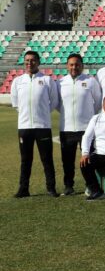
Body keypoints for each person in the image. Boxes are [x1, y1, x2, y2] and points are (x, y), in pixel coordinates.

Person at [11, 50, 60, 198]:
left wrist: (42, 113)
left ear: (38, 62)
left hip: (43, 127)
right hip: (24, 127)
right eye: (26, 61)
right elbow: (16, 104)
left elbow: (54, 101)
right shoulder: (18, 81)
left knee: (47, 159)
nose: (29, 63)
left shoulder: (47, 80)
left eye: (32, 60)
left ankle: (51, 188)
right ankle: (23, 189)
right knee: (26, 160)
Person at [58, 54, 102, 196]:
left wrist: (89, 117)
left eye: (77, 64)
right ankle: (69, 186)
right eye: (71, 64)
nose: (74, 67)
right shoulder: (60, 83)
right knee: (67, 161)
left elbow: (98, 101)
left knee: (88, 159)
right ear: (67, 66)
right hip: (67, 128)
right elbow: (58, 105)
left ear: (82, 66)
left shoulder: (90, 81)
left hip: (86, 129)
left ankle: (91, 185)